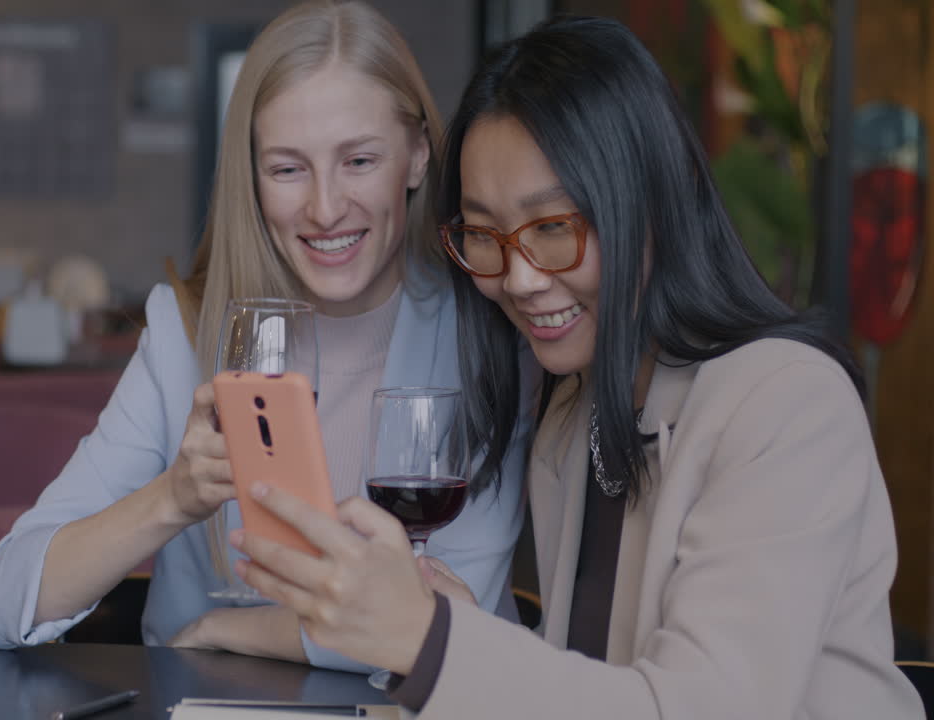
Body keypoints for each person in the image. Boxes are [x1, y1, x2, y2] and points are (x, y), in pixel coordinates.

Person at [230, 15, 924, 717]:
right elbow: (587, 677)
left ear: (649, 201)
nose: (520, 279)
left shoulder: (786, 404)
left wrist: (432, 641)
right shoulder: (574, 414)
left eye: (555, 227)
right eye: (485, 235)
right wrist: (461, 625)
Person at [0, 0, 534, 671]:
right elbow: (7, 603)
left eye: (358, 161)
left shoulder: (489, 333)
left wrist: (224, 628)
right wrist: (172, 498)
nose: (325, 208)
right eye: (287, 168)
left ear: (416, 157)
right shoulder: (183, 333)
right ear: (252, 176)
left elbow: (442, 624)